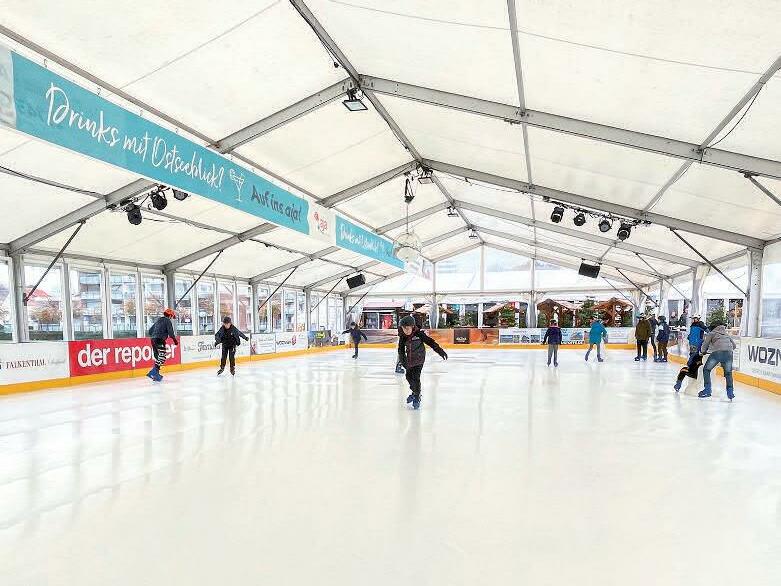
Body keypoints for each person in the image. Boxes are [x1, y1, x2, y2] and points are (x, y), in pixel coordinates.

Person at [397, 315, 447, 410]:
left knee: (416, 378)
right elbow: (401, 350)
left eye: (407, 328)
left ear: (412, 327)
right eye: (404, 328)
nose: (405, 331)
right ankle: (414, 392)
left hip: (419, 359)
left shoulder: (419, 334)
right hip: (409, 360)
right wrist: (403, 362)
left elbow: (431, 342)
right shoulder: (403, 337)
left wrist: (440, 351)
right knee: (408, 377)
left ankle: (417, 396)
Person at [698, 322, 737, 401]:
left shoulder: (711, 333)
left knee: (706, 369)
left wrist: (702, 352)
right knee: (728, 373)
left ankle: (707, 390)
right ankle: (730, 393)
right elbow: (734, 346)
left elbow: (705, 345)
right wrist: (727, 349)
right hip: (729, 354)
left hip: (717, 353)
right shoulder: (726, 334)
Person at [147, 308, 179, 382]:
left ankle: (156, 375)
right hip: (160, 340)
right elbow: (171, 333)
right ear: (170, 315)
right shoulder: (167, 320)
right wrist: (175, 341)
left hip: (153, 339)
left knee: (158, 357)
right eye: (171, 316)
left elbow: (150, 331)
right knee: (162, 357)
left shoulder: (158, 320)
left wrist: (154, 336)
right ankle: (153, 372)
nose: (171, 318)